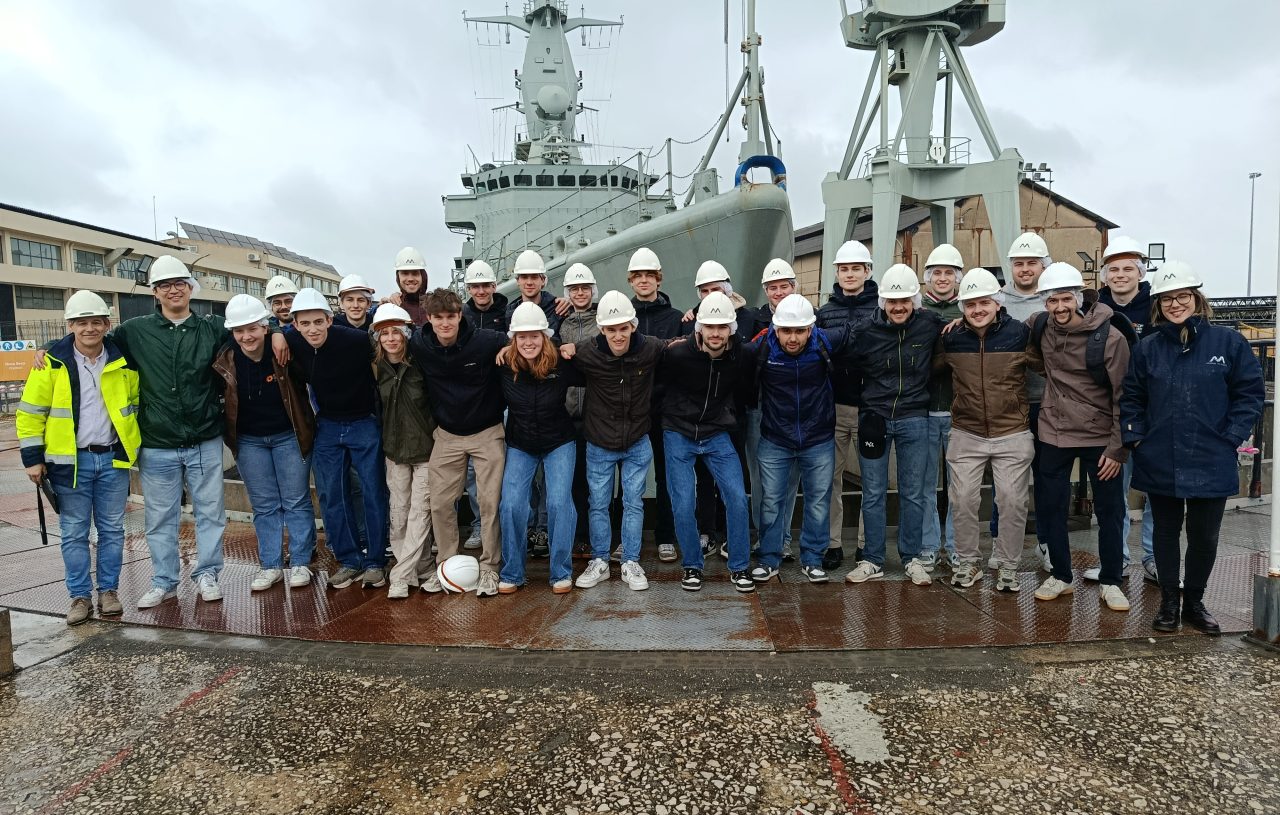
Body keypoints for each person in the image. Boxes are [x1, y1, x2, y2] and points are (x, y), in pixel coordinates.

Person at [115, 256, 286, 608]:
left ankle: (207, 574)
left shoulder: (213, 328)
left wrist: (280, 331)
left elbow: (250, 330)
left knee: (210, 512)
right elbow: (91, 342)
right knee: (160, 516)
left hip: (204, 437)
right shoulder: (134, 331)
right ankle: (164, 580)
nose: (173, 289)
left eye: (180, 282)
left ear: (191, 287)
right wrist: (48, 350)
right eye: (165, 285)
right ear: (155, 292)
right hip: (158, 441)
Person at [1120, 261, 1264, 633]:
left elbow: (1249, 394)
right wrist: (1137, 438)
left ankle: (1195, 602)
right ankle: (1169, 601)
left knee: (1204, 535)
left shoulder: (1228, 343)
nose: (1175, 304)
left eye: (1182, 296)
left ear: (1196, 298)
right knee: (1165, 532)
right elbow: (1132, 397)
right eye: (1167, 299)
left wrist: (1231, 436)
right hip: (1160, 455)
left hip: (1211, 455)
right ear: (1158, 305)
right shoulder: (1148, 348)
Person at [17, 291, 140, 625]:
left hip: (112, 460)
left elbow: (132, 407)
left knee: (113, 530)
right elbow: (29, 415)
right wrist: (32, 458)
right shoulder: (50, 364)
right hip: (69, 464)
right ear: (70, 325)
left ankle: (108, 592)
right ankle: (80, 597)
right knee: (74, 532)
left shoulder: (122, 361)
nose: (89, 328)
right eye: (82, 322)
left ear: (106, 324)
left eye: (96, 322)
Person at [1028, 263, 1131, 612]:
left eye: (1065, 299)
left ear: (1079, 297)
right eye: (1052, 300)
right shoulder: (1040, 327)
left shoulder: (1110, 337)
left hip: (1099, 436)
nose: (1059, 308)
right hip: (1053, 432)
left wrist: (1118, 449)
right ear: (1045, 303)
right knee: (1050, 507)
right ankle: (1061, 574)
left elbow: (1123, 395)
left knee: (1110, 510)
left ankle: (1112, 580)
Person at [934, 270, 1035, 592]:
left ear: (997, 303)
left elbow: (1052, 364)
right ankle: (967, 563)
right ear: (961, 306)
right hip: (967, 431)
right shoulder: (951, 337)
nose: (977, 310)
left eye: (984, 303)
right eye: (970, 304)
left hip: (1012, 431)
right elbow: (928, 366)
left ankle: (1007, 566)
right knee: (962, 500)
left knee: (1012, 501)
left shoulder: (1020, 333)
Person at [844, 265, 943, 587]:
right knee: (872, 492)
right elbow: (840, 358)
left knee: (912, 492)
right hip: (874, 417)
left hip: (915, 417)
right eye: (891, 301)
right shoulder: (864, 330)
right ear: (882, 302)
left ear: (915, 300)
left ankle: (911, 557)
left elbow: (958, 329)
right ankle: (872, 559)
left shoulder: (929, 324)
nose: (898, 307)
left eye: (904, 300)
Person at [285, 288, 390, 591]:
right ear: (296, 325)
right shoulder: (292, 340)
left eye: (318, 322)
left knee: (372, 490)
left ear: (330, 319)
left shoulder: (355, 340)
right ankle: (349, 560)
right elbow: (267, 333)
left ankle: (374, 562)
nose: (312, 329)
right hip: (328, 424)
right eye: (305, 324)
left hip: (363, 421)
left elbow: (384, 356)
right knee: (332, 494)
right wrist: (279, 335)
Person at [214, 295, 318, 593]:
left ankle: (299, 561)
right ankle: (270, 565)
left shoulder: (285, 351)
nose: (246, 336)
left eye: (253, 328)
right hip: (249, 441)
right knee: (264, 505)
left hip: (289, 435)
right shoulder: (226, 357)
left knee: (296, 500)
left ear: (263, 326)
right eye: (239, 331)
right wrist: (275, 333)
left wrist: (278, 334)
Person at [409, 288, 508, 597]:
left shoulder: (485, 341)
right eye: (438, 317)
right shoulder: (420, 344)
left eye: (451, 316)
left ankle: (491, 567)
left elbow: (522, 339)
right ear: (429, 318)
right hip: (448, 435)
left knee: (490, 503)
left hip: (487, 431)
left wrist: (510, 347)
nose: (445, 323)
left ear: (459, 315)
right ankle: (446, 565)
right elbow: (384, 340)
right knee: (439, 503)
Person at [563, 290, 665, 591]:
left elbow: (680, 347)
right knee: (598, 504)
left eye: (623, 328)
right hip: (599, 441)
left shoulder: (650, 349)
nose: (618, 335)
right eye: (611, 329)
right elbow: (549, 359)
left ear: (633, 325)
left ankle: (631, 560)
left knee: (633, 502)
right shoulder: (585, 352)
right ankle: (600, 561)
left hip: (636, 441)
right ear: (601, 329)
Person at [751, 294, 855, 585]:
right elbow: (726, 351)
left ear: (811, 329)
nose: (793, 338)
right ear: (776, 329)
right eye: (787, 331)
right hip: (775, 438)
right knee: (771, 500)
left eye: (799, 331)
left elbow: (859, 330)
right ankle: (769, 558)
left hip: (817, 437)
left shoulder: (823, 342)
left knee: (818, 501)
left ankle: (812, 559)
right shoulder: (763, 346)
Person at [661, 292, 754, 592]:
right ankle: (692, 565)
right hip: (678, 430)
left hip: (716, 430)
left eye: (722, 327)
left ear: (731, 329)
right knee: (683, 501)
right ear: (699, 327)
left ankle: (739, 567)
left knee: (738, 498)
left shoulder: (741, 353)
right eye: (710, 326)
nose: (716, 333)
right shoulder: (677, 354)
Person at [497, 303, 580, 594]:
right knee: (511, 504)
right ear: (513, 340)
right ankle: (512, 572)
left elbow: (598, 366)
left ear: (545, 337)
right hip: (521, 443)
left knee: (558, 503)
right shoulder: (504, 367)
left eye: (534, 336)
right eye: (522, 337)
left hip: (559, 441)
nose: (528, 342)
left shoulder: (561, 362)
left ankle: (560, 571)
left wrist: (574, 347)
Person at [678, 261, 755, 559]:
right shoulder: (690, 321)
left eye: (717, 288)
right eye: (706, 290)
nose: (712, 294)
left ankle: (729, 534)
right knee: (705, 476)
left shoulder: (749, 318)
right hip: (702, 413)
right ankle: (707, 531)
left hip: (734, 410)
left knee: (734, 475)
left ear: (728, 287)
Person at [1091, 235, 1157, 583]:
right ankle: (1114, 559)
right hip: (1111, 410)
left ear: (1140, 273)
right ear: (1104, 275)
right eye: (1113, 269)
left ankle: (1154, 557)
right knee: (1112, 490)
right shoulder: (1095, 310)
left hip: (1152, 409)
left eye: (1127, 268)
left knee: (1156, 488)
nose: (1120, 275)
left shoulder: (1156, 307)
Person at [815, 240, 878, 570]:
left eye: (856, 268)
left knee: (872, 479)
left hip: (871, 407)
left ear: (868, 271)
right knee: (831, 479)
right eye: (844, 269)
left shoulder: (883, 307)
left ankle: (868, 545)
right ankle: (833, 544)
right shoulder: (824, 314)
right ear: (836, 273)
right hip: (835, 406)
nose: (850, 274)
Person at [372, 304, 440, 598]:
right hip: (394, 451)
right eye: (384, 333)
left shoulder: (421, 363)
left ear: (406, 334)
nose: (391, 338)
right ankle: (419, 567)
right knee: (399, 514)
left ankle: (399, 575)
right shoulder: (376, 368)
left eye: (396, 332)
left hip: (425, 449)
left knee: (419, 514)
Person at [997, 232, 1054, 571]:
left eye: (1032, 262)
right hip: (1011, 402)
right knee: (1006, 479)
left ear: (1043, 265)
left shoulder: (1054, 297)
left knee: (1045, 477)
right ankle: (999, 541)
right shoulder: (998, 300)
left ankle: (1045, 543)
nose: (1025, 269)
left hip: (1047, 402)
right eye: (1019, 263)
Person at [503, 249, 563, 559]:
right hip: (522, 420)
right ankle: (520, 550)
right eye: (523, 277)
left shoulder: (559, 307)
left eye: (533, 277)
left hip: (555, 424)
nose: (528, 281)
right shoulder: (509, 310)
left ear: (543, 279)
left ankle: (545, 533)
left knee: (557, 497)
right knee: (514, 498)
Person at [626, 247, 682, 563]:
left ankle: (665, 536)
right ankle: (624, 539)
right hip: (630, 410)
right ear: (631, 281)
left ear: (658, 279)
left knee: (666, 476)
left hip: (664, 408)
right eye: (638, 276)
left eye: (649, 275)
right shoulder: (622, 317)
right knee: (627, 477)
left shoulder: (675, 319)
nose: (644, 280)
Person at [745, 258, 802, 561]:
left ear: (794, 287)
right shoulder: (753, 320)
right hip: (759, 406)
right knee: (758, 476)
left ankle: (784, 538)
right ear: (765, 290)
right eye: (773, 287)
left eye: (784, 286)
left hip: (793, 408)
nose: (779, 292)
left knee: (791, 476)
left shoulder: (810, 318)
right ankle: (764, 536)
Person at [918, 244, 963, 571]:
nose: (943, 278)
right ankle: (928, 547)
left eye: (949, 273)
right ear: (927, 278)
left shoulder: (972, 310)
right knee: (924, 487)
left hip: (960, 413)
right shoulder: (917, 312)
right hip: (923, 412)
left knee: (961, 488)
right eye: (937, 273)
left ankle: (958, 548)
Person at [459, 259, 509, 551]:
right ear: (469, 288)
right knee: (472, 474)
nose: (480, 291)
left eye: (485, 285)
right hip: (472, 404)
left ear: (494, 286)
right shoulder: (460, 316)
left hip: (504, 399)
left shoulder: (508, 312)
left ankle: (511, 525)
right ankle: (480, 525)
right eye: (475, 286)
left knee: (505, 469)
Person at [559, 263, 602, 559]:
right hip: (565, 413)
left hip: (594, 412)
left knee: (595, 482)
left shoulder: (602, 319)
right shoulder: (561, 323)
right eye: (574, 289)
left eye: (584, 288)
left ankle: (594, 537)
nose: (580, 293)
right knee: (572, 482)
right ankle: (576, 538)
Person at [392, 247, 430, 326]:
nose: (410, 279)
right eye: (405, 273)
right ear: (398, 277)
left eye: (415, 273)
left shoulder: (436, 304)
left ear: (423, 276)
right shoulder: (393, 306)